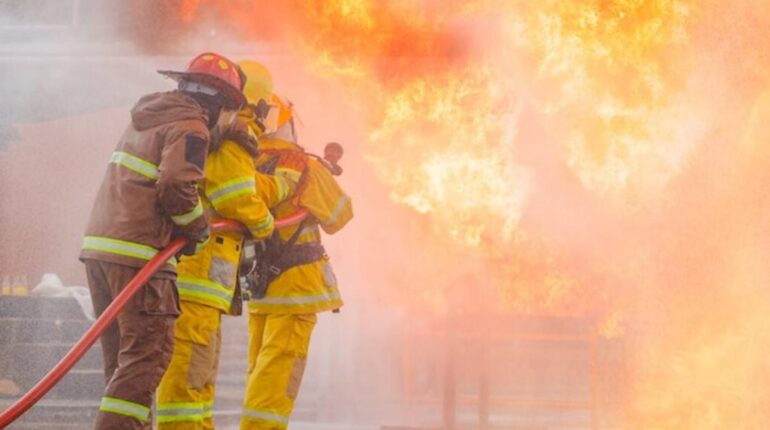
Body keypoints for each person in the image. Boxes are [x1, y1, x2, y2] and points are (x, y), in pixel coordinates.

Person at [79, 52, 245, 430]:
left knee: (123, 366)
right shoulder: (192, 127)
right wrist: (196, 227)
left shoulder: (147, 119)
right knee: (146, 358)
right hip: (141, 255)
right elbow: (176, 185)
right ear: (215, 102)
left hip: (102, 251)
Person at [155, 60, 301, 429]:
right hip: (196, 282)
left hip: (202, 287)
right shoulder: (234, 136)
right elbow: (235, 196)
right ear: (257, 104)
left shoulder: (212, 131)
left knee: (199, 377)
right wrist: (264, 224)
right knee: (187, 377)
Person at [240, 95, 353, 430]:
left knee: (260, 369)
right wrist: (321, 178)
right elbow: (340, 215)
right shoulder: (304, 166)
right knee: (278, 373)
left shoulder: (244, 164)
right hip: (296, 288)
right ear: (288, 124)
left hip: (259, 286)